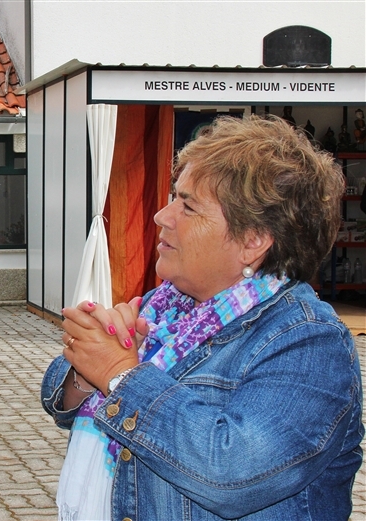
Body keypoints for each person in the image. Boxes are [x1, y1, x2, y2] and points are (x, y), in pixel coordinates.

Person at [42, 115, 363, 520]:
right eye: (175, 197)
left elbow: (231, 474)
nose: (162, 215)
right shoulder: (169, 304)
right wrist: (87, 370)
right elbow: (58, 396)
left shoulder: (309, 341)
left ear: (252, 241)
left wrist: (121, 376)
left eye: (188, 205)